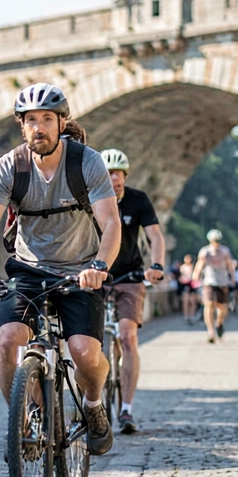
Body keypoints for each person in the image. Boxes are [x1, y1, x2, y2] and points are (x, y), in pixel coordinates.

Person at [0, 83, 122, 456]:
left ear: (61, 123)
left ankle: (94, 407)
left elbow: (111, 223)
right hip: (28, 271)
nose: (39, 127)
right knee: (7, 340)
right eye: (31, 120)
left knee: (84, 353)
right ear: (22, 126)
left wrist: (99, 266)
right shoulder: (10, 166)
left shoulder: (86, 163)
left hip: (80, 270)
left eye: (47, 119)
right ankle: (29, 417)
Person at [100, 148, 166, 434]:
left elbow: (154, 235)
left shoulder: (138, 200)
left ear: (125, 176)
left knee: (127, 337)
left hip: (129, 276)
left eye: (116, 173)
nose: (112, 178)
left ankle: (125, 409)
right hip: (96, 278)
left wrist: (157, 264)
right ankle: (93, 403)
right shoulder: (91, 200)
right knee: (91, 343)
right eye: (107, 173)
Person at [192, 229, 236, 343]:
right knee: (209, 305)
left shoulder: (225, 251)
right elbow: (199, 264)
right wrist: (195, 277)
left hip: (223, 282)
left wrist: (233, 278)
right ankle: (211, 332)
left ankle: (219, 323)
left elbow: (230, 266)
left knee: (223, 308)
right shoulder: (205, 251)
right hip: (209, 281)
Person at [178, 254, 198, 321]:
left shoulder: (194, 267)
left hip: (192, 284)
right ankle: (186, 316)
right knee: (185, 301)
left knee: (192, 301)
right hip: (185, 285)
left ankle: (192, 316)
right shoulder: (182, 267)